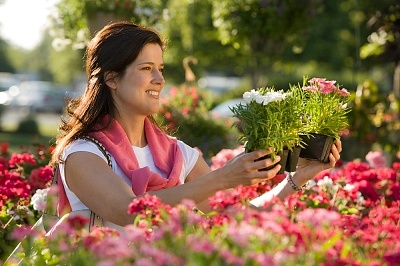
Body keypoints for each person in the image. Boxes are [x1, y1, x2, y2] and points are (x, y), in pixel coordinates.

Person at [50, 21, 342, 232]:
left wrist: (298, 178)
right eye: (145, 69)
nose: (159, 80)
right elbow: (130, 212)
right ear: (112, 79)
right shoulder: (84, 153)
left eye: (160, 69)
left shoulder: (179, 155)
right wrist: (223, 178)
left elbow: (237, 219)